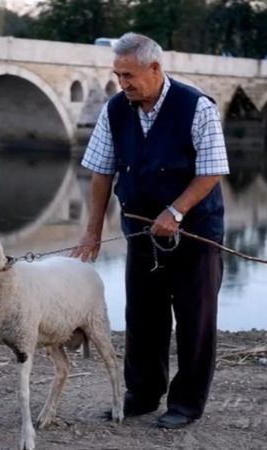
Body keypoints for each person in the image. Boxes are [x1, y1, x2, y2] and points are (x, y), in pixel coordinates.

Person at [72, 32, 229, 430]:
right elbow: (101, 171)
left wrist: (176, 211)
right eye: (118, 74)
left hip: (195, 232)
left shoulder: (197, 107)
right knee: (143, 316)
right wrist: (92, 231)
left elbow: (211, 170)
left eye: (128, 75)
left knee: (195, 320)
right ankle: (141, 394)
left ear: (155, 68)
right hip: (141, 232)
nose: (122, 83)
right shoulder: (115, 109)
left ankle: (187, 403)